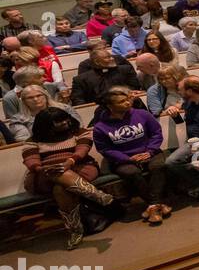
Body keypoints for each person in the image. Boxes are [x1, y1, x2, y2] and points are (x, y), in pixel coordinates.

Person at [22, 107, 120, 248]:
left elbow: (82, 150)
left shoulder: (78, 132)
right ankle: (100, 197)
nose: (65, 122)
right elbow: (31, 159)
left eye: (65, 118)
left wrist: (69, 162)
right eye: (59, 121)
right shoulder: (32, 141)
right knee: (58, 174)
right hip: (43, 175)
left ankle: (76, 231)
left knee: (60, 188)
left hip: (79, 167)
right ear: (46, 125)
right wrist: (42, 169)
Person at [92, 85, 169, 225]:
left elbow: (156, 133)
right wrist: (127, 158)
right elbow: (105, 149)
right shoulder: (100, 127)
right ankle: (157, 205)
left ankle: (152, 206)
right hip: (124, 159)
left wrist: (150, 151)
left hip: (149, 152)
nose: (127, 103)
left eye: (127, 99)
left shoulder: (142, 114)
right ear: (109, 106)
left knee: (158, 166)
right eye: (121, 101)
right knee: (131, 172)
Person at [69, 44, 141, 104]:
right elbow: (77, 100)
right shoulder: (81, 79)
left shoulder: (125, 70)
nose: (112, 59)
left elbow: (135, 87)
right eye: (107, 58)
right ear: (97, 62)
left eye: (111, 56)